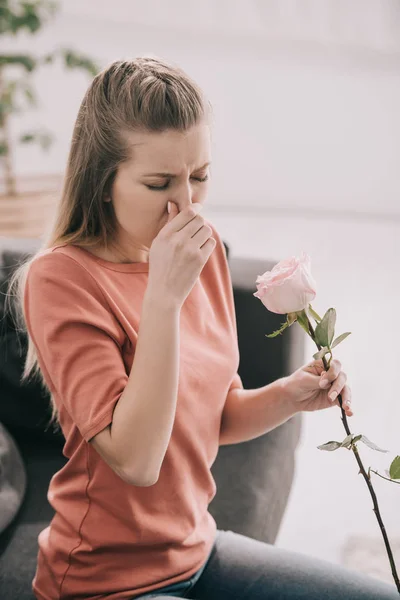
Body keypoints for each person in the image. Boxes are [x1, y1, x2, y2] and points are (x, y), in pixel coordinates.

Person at [7, 56, 398, 599]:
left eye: (200, 177)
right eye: (158, 183)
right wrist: (163, 298)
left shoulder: (203, 250)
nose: (185, 206)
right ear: (102, 182)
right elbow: (137, 461)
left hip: (198, 549)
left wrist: (289, 395)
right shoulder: (62, 279)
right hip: (103, 583)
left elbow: (217, 416)